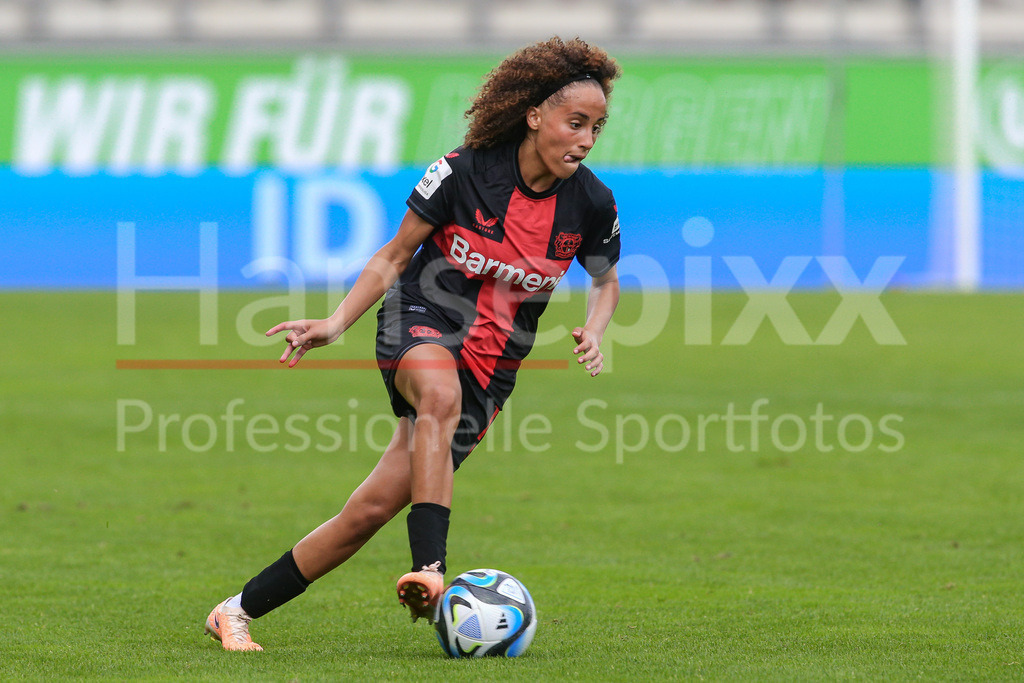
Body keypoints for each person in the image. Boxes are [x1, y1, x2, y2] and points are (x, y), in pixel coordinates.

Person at [204, 36, 623, 651]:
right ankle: (430, 569)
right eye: (575, 122)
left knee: (368, 512)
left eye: (597, 127)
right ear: (535, 115)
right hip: (422, 316)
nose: (586, 139)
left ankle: (234, 611)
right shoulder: (464, 170)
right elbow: (396, 254)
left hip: (493, 366)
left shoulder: (591, 201)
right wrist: (334, 322)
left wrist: (596, 327)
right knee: (437, 387)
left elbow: (606, 280)